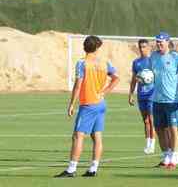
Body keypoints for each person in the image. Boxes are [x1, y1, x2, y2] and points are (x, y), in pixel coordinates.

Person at [55, 36, 119, 177]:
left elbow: (78, 85)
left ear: (85, 47)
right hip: (100, 103)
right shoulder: (104, 63)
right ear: (97, 47)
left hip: (88, 104)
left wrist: (71, 104)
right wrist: (105, 91)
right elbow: (116, 78)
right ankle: (93, 168)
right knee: (97, 136)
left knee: (78, 136)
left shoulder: (82, 63)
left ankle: (71, 169)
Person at [150, 32, 178, 169]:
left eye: (161, 42)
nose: (159, 44)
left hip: (171, 100)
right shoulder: (153, 56)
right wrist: (143, 78)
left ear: (168, 42)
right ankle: (166, 155)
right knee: (159, 128)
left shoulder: (176, 57)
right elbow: (149, 74)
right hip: (156, 99)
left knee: (173, 128)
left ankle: (175, 155)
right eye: (157, 42)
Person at [128, 39, 156, 154]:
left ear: (149, 47)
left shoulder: (153, 61)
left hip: (152, 94)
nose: (142, 49)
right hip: (141, 94)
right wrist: (131, 94)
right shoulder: (136, 62)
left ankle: (152, 145)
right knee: (145, 121)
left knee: (151, 119)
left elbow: (157, 76)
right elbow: (134, 79)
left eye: (144, 46)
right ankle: (147, 143)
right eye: (140, 47)